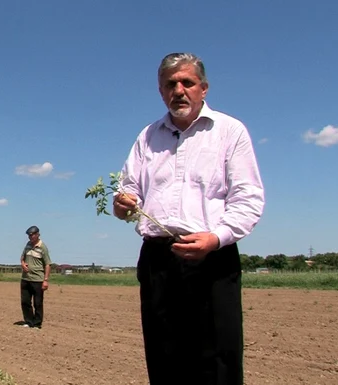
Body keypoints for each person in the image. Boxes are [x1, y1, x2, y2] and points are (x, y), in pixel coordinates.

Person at [113, 52, 265, 385]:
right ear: (160, 91)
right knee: (164, 356)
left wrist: (216, 238)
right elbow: (128, 191)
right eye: (170, 84)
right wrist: (122, 204)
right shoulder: (147, 137)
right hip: (158, 260)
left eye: (187, 82)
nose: (178, 90)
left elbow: (248, 199)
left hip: (212, 258)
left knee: (218, 357)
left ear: (204, 88)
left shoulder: (229, 131)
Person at [19, 225, 51, 329]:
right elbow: (22, 258)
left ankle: (37, 323)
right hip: (25, 279)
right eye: (29, 235)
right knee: (25, 302)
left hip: (38, 280)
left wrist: (45, 280)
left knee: (38, 303)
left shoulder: (42, 247)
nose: (30, 237)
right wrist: (23, 264)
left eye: (32, 235)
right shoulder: (28, 245)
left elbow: (47, 264)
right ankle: (29, 321)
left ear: (38, 235)